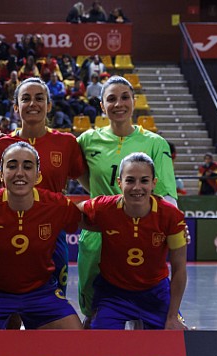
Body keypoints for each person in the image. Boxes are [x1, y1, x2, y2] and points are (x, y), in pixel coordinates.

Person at [76, 75, 178, 325]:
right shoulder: (87, 140)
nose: (118, 104)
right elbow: (76, 173)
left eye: (124, 97)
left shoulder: (154, 143)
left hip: (140, 233)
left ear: (134, 101)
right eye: (111, 99)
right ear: (102, 105)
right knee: (94, 312)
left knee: (143, 303)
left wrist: (172, 228)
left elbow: (166, 194)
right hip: (98, 235)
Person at [0, 142, 83, 330]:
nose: (19, 173)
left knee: (74, 332)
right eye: (12, 166)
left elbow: (92, 219)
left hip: (41, 292)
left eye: (27, 166)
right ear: (1, 175)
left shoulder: (57, 205)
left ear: (37, 175)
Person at [80, 152, 186, 329]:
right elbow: (69, 214)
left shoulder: (171, 216)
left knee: (173, 342)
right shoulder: (104, 207)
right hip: (113, 293)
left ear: (154, 183)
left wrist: (173, 316)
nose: (137, 187)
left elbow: (180, 268)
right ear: (119, 182)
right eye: (130, 180)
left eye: (144, 181)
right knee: (98, 346)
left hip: (155, 293)